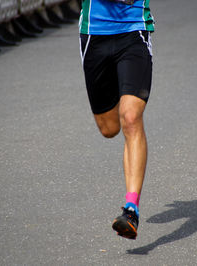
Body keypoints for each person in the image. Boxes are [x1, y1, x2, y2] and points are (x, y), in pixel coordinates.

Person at [79, 0, 155, 239]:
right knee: (109, 128)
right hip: (94, 34)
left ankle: (131, 209)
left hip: (133, 31)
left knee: (130, 118)